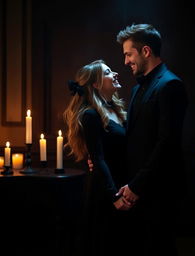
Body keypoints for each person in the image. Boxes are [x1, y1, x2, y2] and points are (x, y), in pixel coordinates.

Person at [115, 24, 188, 255]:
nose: (126, 61)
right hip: (135, 190)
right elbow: (132, 136)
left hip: (160, 192)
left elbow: (166, 144)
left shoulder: (171, 85)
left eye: (129, 54)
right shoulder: (138, 89)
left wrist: (137, 186)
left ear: (146, 51)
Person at [63, 59, 132, 256]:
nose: (115, 73)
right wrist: (114, 196)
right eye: (108, 72)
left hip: (124, 183)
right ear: (95, 84)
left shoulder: (118, 110)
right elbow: (98, 159)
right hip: (106, 189)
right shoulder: (90, 115)